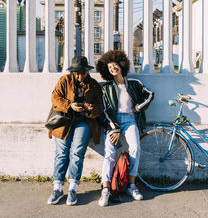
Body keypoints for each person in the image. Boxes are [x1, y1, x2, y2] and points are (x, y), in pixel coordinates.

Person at [96, 50, 154, 207]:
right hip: (112, 122)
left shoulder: (134, 83)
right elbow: (104, 110)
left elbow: (149, 95)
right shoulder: (105, 88)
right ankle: (106, 188)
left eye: (115, 64)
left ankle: (131, 185)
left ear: (121, 65)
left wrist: (137, 108)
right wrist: (114, 128)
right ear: (106, 70)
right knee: (109, 152)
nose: (113, 68)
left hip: (129, 120)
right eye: (109, 67)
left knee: (135, 147)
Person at [47, 56, 103, 206]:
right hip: (64, 121)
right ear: (72, 71)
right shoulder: (64, 80)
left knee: (77, 152)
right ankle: (57, 188)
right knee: (61, 153)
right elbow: (55, 98)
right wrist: (70, 105)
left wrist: (90, 109)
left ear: (87, 71)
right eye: (77, 72)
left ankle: (73, 188)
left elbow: (100, 106)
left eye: (82, 72)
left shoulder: (94, 84)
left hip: (84, 121)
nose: (79, 76)